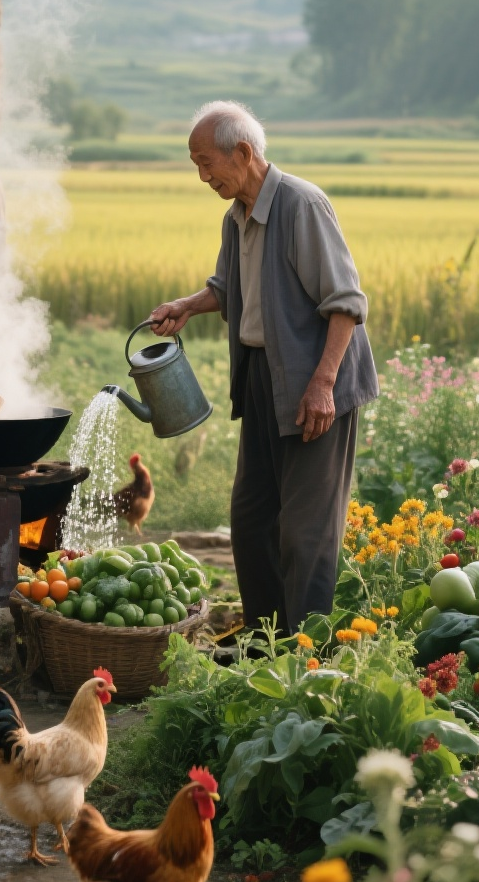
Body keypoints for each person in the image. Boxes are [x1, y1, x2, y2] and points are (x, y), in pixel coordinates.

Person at [150, 102, 378, 635]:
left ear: (245, 153)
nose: (203, 176)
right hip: (263, 377)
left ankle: (307, 657)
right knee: (252, 523)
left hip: (314, 382)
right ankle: (265, 645)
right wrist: (187, 305)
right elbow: (227, 287)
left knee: (306, 532)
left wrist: (322, 385)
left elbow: (345, 303)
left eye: (207, 163)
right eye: (196, 165)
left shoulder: (302, 205)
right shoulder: (237, 216)